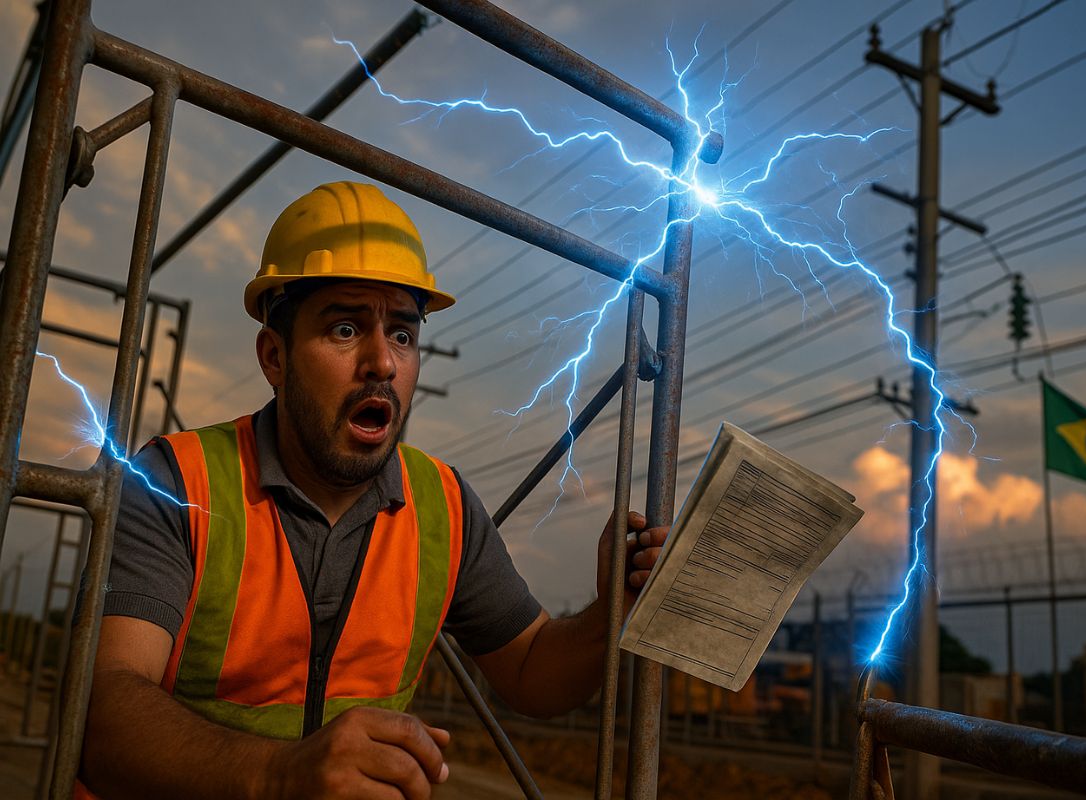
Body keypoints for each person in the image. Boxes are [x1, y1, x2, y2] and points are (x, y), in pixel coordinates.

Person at [78, 181, 668, 799]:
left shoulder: (442, 506)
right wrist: (281, 775)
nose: (382, 363)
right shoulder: (177, 481)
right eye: (343, 329)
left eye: (403, 335)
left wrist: (612, 615)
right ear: (274, 357)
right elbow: (103, 708)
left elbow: (531, 672)